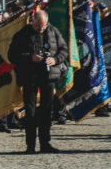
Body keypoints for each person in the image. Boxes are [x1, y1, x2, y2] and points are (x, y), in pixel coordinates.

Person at [9, 8, 69, 153]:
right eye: (38, 26)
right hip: (29, 77)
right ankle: (30, 145)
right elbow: (11, 55)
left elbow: (64, 50)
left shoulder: (53, 31)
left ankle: (45, 143)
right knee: (30, 112)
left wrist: (54, 60)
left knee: (47, 110)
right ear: (32, 21)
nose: (41, 28)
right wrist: (30, 57)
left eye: (43, 25)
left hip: (48, 76)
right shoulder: (22, 34)